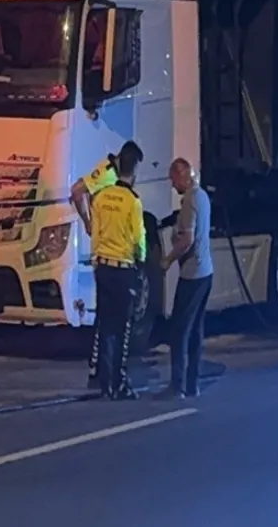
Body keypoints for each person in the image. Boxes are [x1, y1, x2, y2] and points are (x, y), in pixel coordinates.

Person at [70, 140, 144, 388]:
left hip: (102, 259)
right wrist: (88, 224)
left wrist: (95, 230)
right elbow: (77, 190)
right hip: (119, 260)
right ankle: (110, 375)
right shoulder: (110, 176)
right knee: (117, 323)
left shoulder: (108, 179)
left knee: (104, 319)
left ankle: (99, 372)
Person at [90, 152, 147, 400]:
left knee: (105, 326)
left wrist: (95, 259)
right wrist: (141, 259)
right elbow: (139, 239)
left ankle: (105, 385)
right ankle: (120, 382)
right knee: (122, 328)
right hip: (124, 269)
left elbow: (95, 233)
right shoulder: (132, 202)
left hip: (103, 267)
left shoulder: (101, 197)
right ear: (133, 173)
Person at [159, 158, 213, 399]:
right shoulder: (202, 196)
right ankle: (193, 384)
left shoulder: (190, 199)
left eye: (173, 180)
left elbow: (187, 239)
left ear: (182, 175)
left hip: (192, 273)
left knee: (179, 330)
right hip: (206, 273)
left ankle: (177, 386)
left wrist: (168, 260)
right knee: (195, 330)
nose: (173, 186)